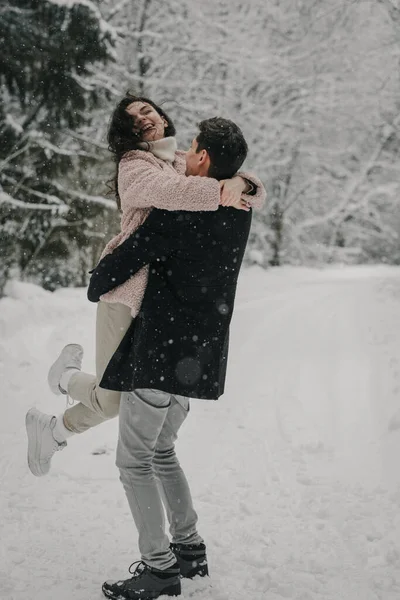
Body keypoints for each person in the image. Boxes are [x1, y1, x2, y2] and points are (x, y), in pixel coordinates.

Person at [25, 95, 265, 475]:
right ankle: (66, 378)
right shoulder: (135, 166)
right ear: (127, 132)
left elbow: (236, 181)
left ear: (163, 118)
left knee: (119, 397)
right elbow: (175, 194)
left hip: (157, 303)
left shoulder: (176, 162)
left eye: (147, 110)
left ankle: (53, 430)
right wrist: (225, 191)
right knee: (114, 401)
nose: (143, 118)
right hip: (125, 290)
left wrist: (242, 182)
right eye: (133, 117)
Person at [84, 117, 265, 600]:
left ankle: (160, 568)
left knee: (134, 461)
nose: (184, 153)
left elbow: (128, 257)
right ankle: (189, 548)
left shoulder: (178, 211)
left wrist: (95, 283)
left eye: (192, 148)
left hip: (163, 346)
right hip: (200, 351)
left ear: (203, 158)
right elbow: (249, 190)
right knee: (162, 451)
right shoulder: (241, 206)